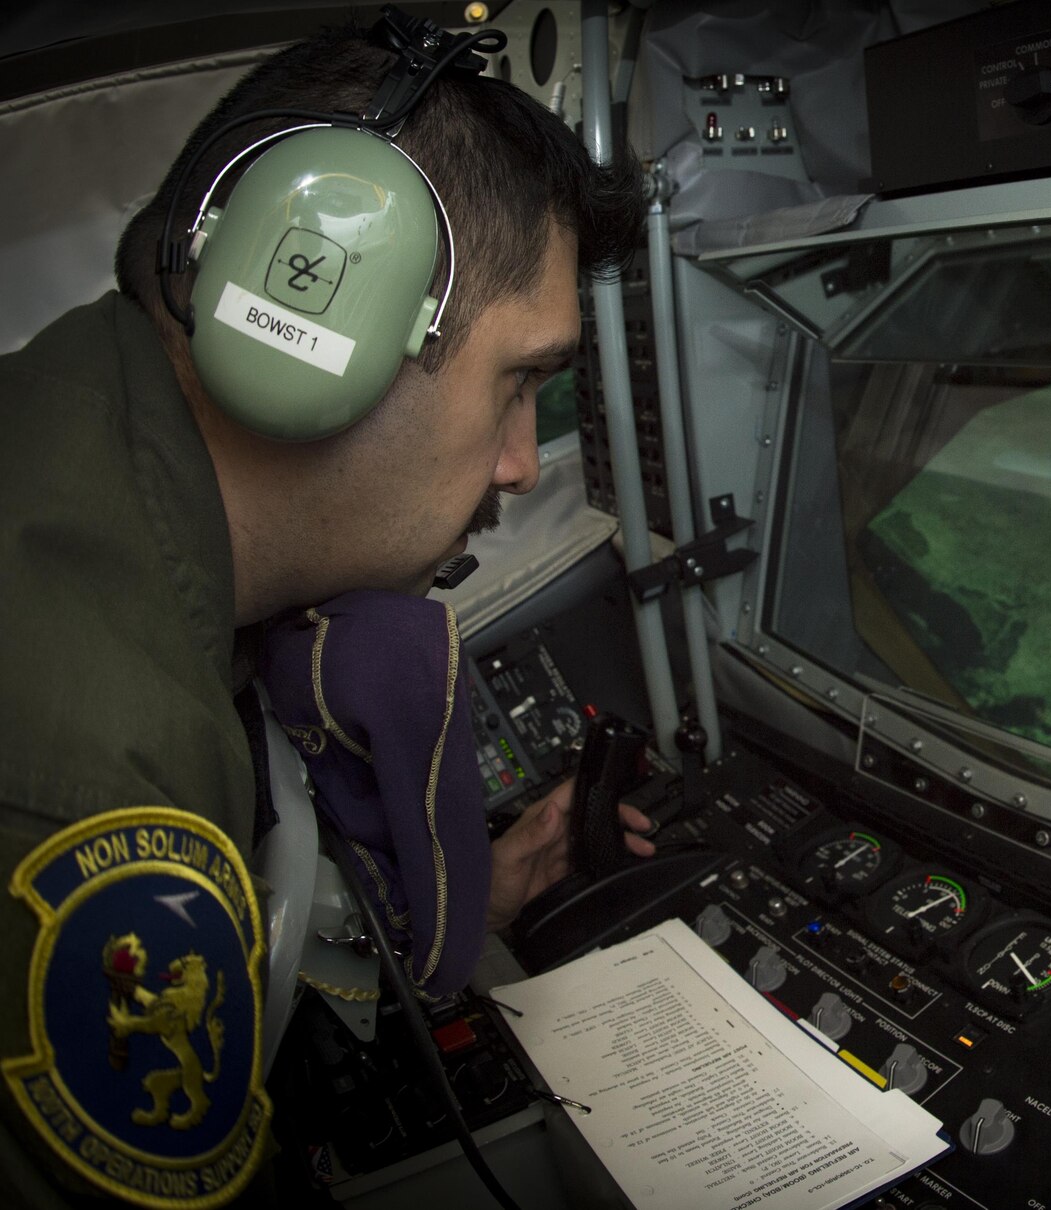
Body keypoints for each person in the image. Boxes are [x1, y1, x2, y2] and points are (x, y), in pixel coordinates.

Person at [0, 15, 653, 1205]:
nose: (518, 466)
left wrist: (460, 896)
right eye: (519, 381)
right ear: (316, 328)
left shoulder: (73, 455)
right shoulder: (93, 771)